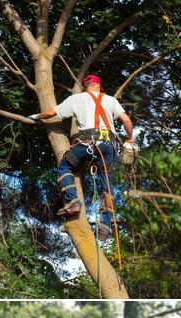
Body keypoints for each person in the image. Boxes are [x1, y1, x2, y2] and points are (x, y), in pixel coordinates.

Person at [28, 74, 137, 241]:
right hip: (109, 146)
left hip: (88, 144)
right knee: (106, 186)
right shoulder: (111, 100)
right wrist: (129, 138)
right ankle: (106, 225)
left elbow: (51, 112)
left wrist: (36, 117)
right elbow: (127, 121)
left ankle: (73, 201)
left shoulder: (76, 99)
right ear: (99, 86)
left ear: (86, 86)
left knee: (64, 166)